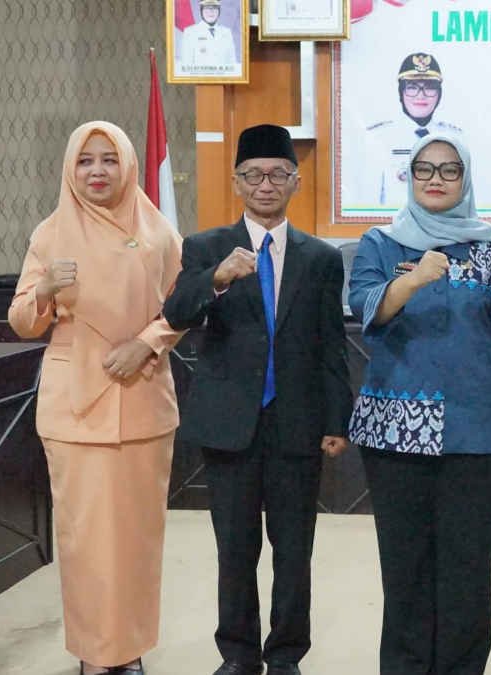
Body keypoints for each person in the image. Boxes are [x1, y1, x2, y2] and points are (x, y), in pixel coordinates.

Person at [347, 133, 491, 674]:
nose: (435, 179)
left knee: (467, 568)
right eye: (424, 169)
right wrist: (412, 280)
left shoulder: (490, 248)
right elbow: (367, 310)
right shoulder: (381, 243)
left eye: (449, 170)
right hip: (396, 430)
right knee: (405, 566)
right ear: (409, 178)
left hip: (477, 430)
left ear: (466, 179)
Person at [162, 124, 352, 675]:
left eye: (276, 174)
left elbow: (331, 346)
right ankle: (238, 655)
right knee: (235, 550)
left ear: (295, 181)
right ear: (237, 182)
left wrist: (336, 418)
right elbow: (175, 314)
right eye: (253, 175)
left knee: (294, 551)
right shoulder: (205, 247)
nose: (265, 185)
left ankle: (287, 654)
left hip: (297, 422)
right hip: (229, 425)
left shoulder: (320, 258)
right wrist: (217, 279)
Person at [8, 121, 185, 675]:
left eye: (110, 159)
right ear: (70, 169)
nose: (98, 171)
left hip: (142, 400)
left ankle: (127, 650)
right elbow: (21, 323)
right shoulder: (49, 233)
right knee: (85, 541)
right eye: (86, 161)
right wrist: (41, 292)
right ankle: (92, 653)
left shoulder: (159, 232)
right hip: (73, 408)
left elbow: (182, 307)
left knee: (135, 540)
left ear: (129, 164)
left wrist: (147, 343)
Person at [359, 52, 463, 206]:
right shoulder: (377, 138)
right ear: (401, 93)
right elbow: (366, 201)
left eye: (429, 88)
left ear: (439, 94)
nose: (421, 96)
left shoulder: (456, 137)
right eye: (412, 87)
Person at [180, 0, 239, 74]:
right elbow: (186, 66)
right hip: (199, 81)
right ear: (201, 11)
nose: (211, 12)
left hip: (223, 81)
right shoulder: (190, 32)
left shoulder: (226, 32)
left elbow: (231, 63)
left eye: (214, 8)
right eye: (207, 8)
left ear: (219, 11)